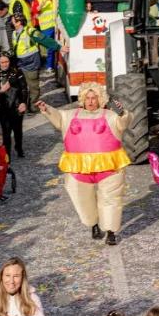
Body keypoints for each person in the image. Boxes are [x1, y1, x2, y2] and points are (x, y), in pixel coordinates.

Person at [37, 82, 130, 245]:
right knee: (81, 198)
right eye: (87, 98)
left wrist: (123, 113)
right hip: (78, 166)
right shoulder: (70, 115)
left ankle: (110, 231)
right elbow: (58, 117)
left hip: (108, 165)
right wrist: (46, 109)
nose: (91, 101)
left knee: (111, 198)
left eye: (94, 98)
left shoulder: (110, 116)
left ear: (100, 99)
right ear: (82, 99)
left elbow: (123, 123)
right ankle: (94, 223)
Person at [0, 53, 28, 158]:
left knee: (17, 130)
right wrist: (0, 90)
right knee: (6, 131)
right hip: (2, 106)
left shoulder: (16, 72)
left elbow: (24, 88)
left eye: (6, 62)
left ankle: (19, 148)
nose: (4, 64)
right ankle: (7, 154)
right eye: (2, 62)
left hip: (16, 104)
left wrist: (24, 102)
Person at [11, 15, 40, 110]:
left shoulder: (30, 31)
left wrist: (58, 47)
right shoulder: (14, 33)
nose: (11, 22)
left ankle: (34, 107)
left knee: (33, 86)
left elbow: (44, 40)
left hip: (31, 62)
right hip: (21, 63)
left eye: (13, 21)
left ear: (19, 22)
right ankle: (26, 105)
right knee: (23, 86)